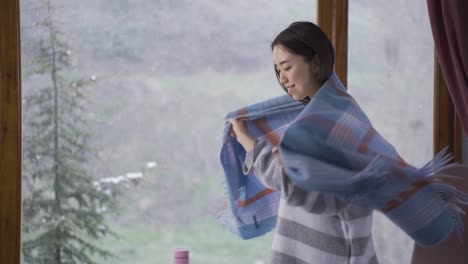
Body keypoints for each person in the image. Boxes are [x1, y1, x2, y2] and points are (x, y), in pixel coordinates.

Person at [229, 21, 379, 264]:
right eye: (277, 70)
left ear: (316, 63)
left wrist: (249, 142)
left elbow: (297, 184)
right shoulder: (339, 109)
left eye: (287, 67)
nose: (283, 78)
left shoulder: (328, 121)